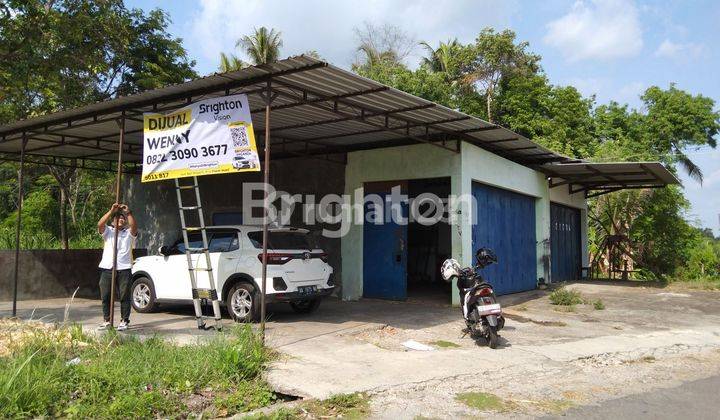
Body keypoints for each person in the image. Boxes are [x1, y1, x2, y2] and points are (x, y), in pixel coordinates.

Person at [97, 203, 138, 331]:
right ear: (113, 221)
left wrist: (129, 213)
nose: (120, 220)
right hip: (107, 268)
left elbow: (134, 227)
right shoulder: (109, 231)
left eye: (122, 218)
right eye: (117, 218)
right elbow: (100, 224)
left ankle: (124, 320)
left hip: (124, 268)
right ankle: (107, 320)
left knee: (124, 296)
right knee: (105, 295)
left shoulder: (128, 234)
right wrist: (111, 211)